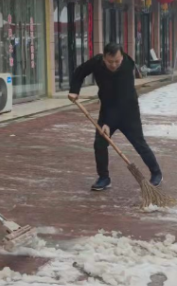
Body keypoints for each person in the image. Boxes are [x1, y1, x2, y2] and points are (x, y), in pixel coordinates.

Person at [68, 43, 162, 192]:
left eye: (117, 61)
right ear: (104, 58)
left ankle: (156, 173)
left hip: (128, 111)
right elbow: (80, 71)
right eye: (110, 62)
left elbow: (119, 100)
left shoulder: (126, 67)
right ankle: (104, 178)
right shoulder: (97, 62)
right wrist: (74, 90)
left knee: (139, 144)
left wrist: (107, 123)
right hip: (107, 109)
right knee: (100, 144)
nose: (114, 65)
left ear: (122, 57)